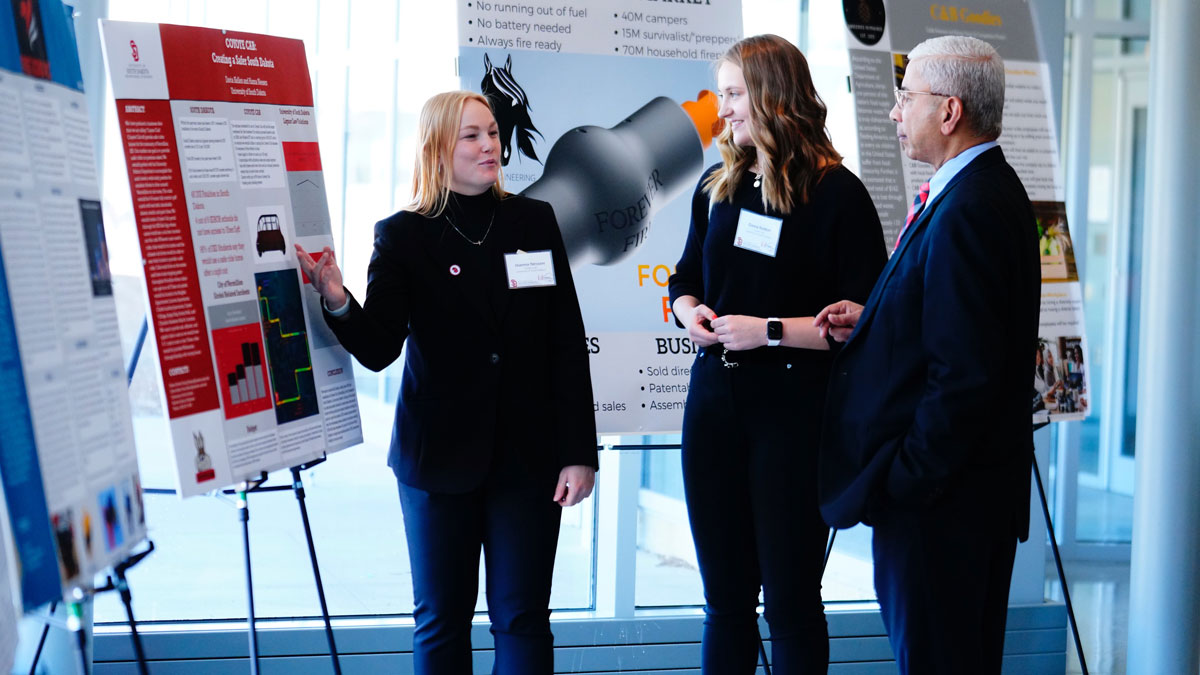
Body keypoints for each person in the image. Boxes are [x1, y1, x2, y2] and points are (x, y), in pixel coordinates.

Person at [295, 91, 598, 674]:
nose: (491, 146)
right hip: (436, 459)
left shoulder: (534, 220)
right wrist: (336, 299)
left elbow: (567, 341)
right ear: (437, 149)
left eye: (492, 133)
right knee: (441, 620)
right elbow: (381, 348)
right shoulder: (403, 235)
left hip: (528, 459)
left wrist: (578, 453)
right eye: (472, 136)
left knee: (524, 617)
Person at [814, 36, 1040, 674]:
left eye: (906, 96)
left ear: (949, 112)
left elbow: (963, 377)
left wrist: (904, 482)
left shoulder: (969, 207)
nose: (893, 112)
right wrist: (879, 319)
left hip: (944, 511)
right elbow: (957, 325)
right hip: (959, 505)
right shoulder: (981, 191)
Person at [668, 34, 887, 674]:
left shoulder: (838, 193)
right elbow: (683, 282)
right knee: (724, 603)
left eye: (734, 93)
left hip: (793, 417)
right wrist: (693, 314)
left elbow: (861, 322)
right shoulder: (716, 186)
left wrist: (765, 330)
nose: (724, 108)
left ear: (773, 95)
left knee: (791, 601)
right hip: (713, 408)